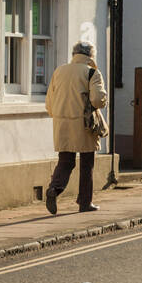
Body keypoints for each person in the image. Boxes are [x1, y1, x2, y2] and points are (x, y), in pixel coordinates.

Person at [44, 41, 107, 214]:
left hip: (61, 122)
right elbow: (97, 100)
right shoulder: (92, 72)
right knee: (87, 164)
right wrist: (103, 100)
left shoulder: (59, 71)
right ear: (90, 56)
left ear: (74, 54)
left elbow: (49, 101)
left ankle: (54, 189)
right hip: (84, 123)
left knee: (65, 161)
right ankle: (84, 203)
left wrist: (57, 116)